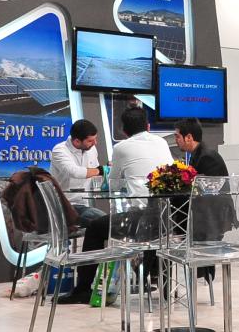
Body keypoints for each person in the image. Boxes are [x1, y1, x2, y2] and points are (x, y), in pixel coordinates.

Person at [61, 107, 173, 304]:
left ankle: (83, 289)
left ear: (124, 131)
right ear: (148, 126)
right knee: (112, 225)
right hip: (168, 220)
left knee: (95, 229)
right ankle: (154, 277)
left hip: (139, 221)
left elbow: (113, 183)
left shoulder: (122, 148)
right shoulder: (162, 142)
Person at [175, 118, 231, 282]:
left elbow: (209, 194)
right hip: (202, 212)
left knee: (170, 212)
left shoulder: (207, 157)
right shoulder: (198, 155)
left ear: (189, 137)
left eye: (177, 136)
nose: (176, 140)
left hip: (211, 217)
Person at [48, 119, 106, 226]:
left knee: (105, 222)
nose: (95, 143)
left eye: (95, 139)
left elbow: (94, 174)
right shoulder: (59, 150)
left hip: (84, 203)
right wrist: (101, 170)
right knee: (104, 221)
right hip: (64, 205)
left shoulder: (92, 149)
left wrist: (108, 171)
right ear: (77, 141)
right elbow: (74, 172)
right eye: (90, 141)